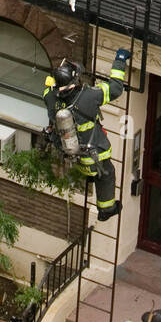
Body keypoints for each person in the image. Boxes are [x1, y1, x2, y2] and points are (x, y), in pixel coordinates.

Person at [43, 49, 130, 221]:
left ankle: (91, 176)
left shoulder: (50, 98)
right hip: (94, 155)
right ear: (74, 82)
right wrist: (120, 61)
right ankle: (107, 210)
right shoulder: (89, 97)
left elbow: (47, 90)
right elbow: (115, 88)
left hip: (74, 155)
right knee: (107, 174)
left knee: (94, 173)